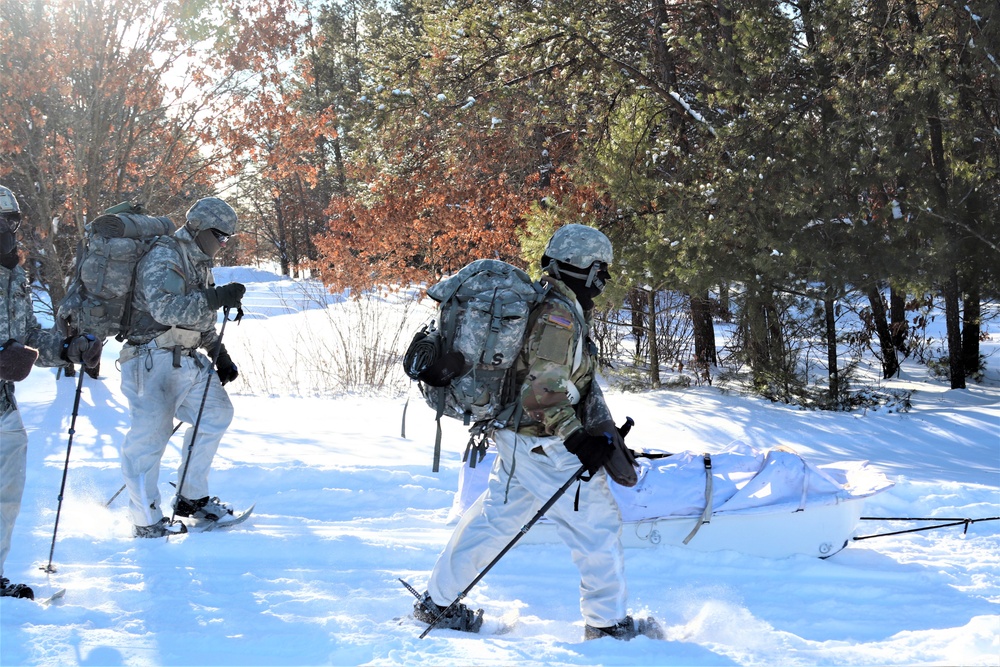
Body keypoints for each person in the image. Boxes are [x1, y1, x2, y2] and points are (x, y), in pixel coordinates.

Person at [412, 224, 662, 641]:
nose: (605, 280)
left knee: (493, 521)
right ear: (585, 268)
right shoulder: (558, 317)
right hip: (547, 445)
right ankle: (607, 624)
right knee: (597, 529)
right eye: (602, 269)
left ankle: (437, 603)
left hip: (518, 440)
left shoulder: (547, 303)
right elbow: (543, 388)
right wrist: (576, 439)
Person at [117, 197, 245, 538]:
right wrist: (217, 298)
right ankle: (146, 519)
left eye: (227, 239)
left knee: (216, 415)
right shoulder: (165, 254)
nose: (223, 244)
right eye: (220, 236)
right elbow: (165, 309)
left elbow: (199, 316)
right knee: (148, 441)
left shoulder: (198, 262)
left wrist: (219, 353)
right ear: (200, 228)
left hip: (185, 359)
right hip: (151, 359)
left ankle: (191, 498)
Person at [1, 185, 102, 598]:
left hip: (3, 407)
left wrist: (65, 349)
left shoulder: (13, 276)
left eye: (12, 223)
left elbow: (26, 337)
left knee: (6, 495)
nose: (8, 231)